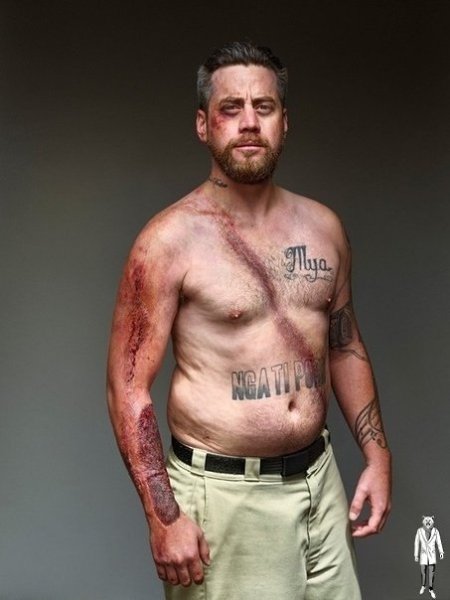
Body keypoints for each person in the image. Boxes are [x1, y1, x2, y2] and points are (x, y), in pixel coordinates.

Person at [107, 41, 392, 600]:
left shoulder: (324, 228)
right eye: (230, 108)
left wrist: (378, 457)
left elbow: (345, 346)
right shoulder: (168, 241)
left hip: (320, 485)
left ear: (285, 122)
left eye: (264, 107)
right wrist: (163, 516)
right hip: (226, 498)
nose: (249, 123)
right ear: (203, 125)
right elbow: (128, 387)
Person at [414, 516, 444, 599]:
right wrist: (416, 555)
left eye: (429, 521)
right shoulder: (419, 531)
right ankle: (423, 586)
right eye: (426, 520)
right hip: (423, 554)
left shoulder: (435, 531)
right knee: (423, 571)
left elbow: (439, 542)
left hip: (432, 554)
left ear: (432, 522)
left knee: (432, 572)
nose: (428, 522)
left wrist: (441, 552)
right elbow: (417, 543)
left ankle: (431, 588)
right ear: (423, 521)